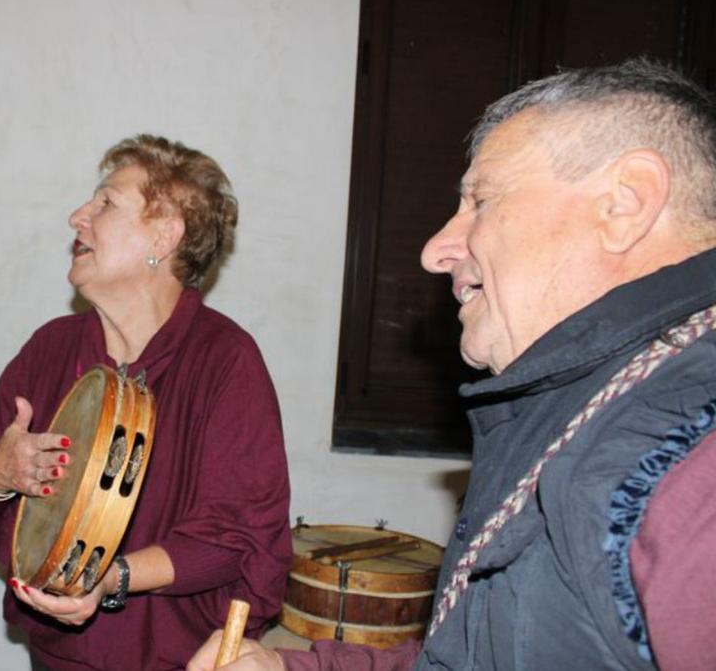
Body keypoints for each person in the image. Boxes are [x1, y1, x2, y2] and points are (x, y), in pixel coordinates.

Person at [189, 58, 716, 671]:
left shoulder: (694, 464)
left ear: (625, 204)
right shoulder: (599, 402)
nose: (436, 250)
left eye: (481, 200)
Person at [0, 134, 291, 669]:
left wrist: (110, 578)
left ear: (165, 236)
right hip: (58, 658)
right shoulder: (51, 348)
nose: (78, 216)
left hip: (181, 661)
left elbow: (235, 534)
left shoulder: (225, 360)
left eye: (106, 203)